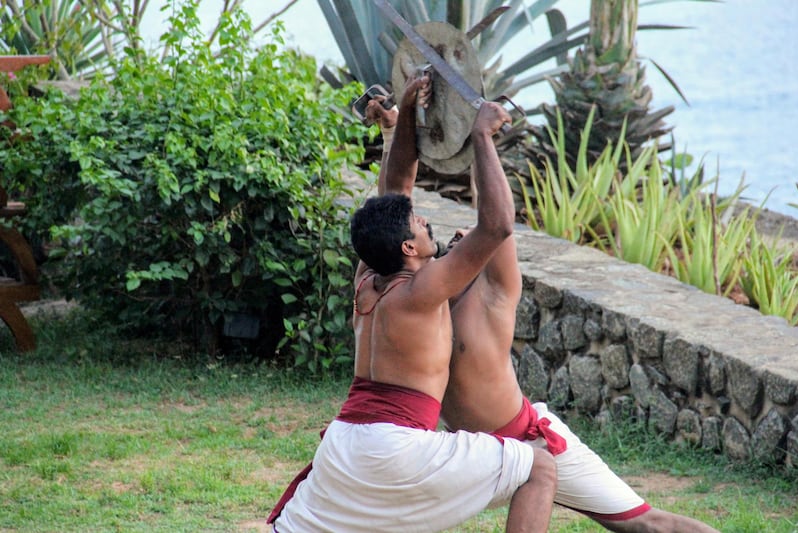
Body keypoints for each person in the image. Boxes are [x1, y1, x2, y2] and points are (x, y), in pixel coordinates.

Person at [371, 76, 721, 533]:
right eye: (452, 243)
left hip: (530, 440)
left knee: (647, 525)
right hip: (472, 453)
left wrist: (482, 137)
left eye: (466, 241)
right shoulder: (421, 301)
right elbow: (393, 201)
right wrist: (402, 125)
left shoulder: (494, 299)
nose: (458, 242)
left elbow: (494, 218)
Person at [267, 74, 557, 532]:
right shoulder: (422, 292)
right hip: (396, 448)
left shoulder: (368, 276)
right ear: (408, 249)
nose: (423, 220)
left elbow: (397, 184)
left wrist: (401, 116)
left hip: (343, 446)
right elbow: (497, 226)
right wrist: (481, 135)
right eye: (418, 224)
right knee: (539, 469)